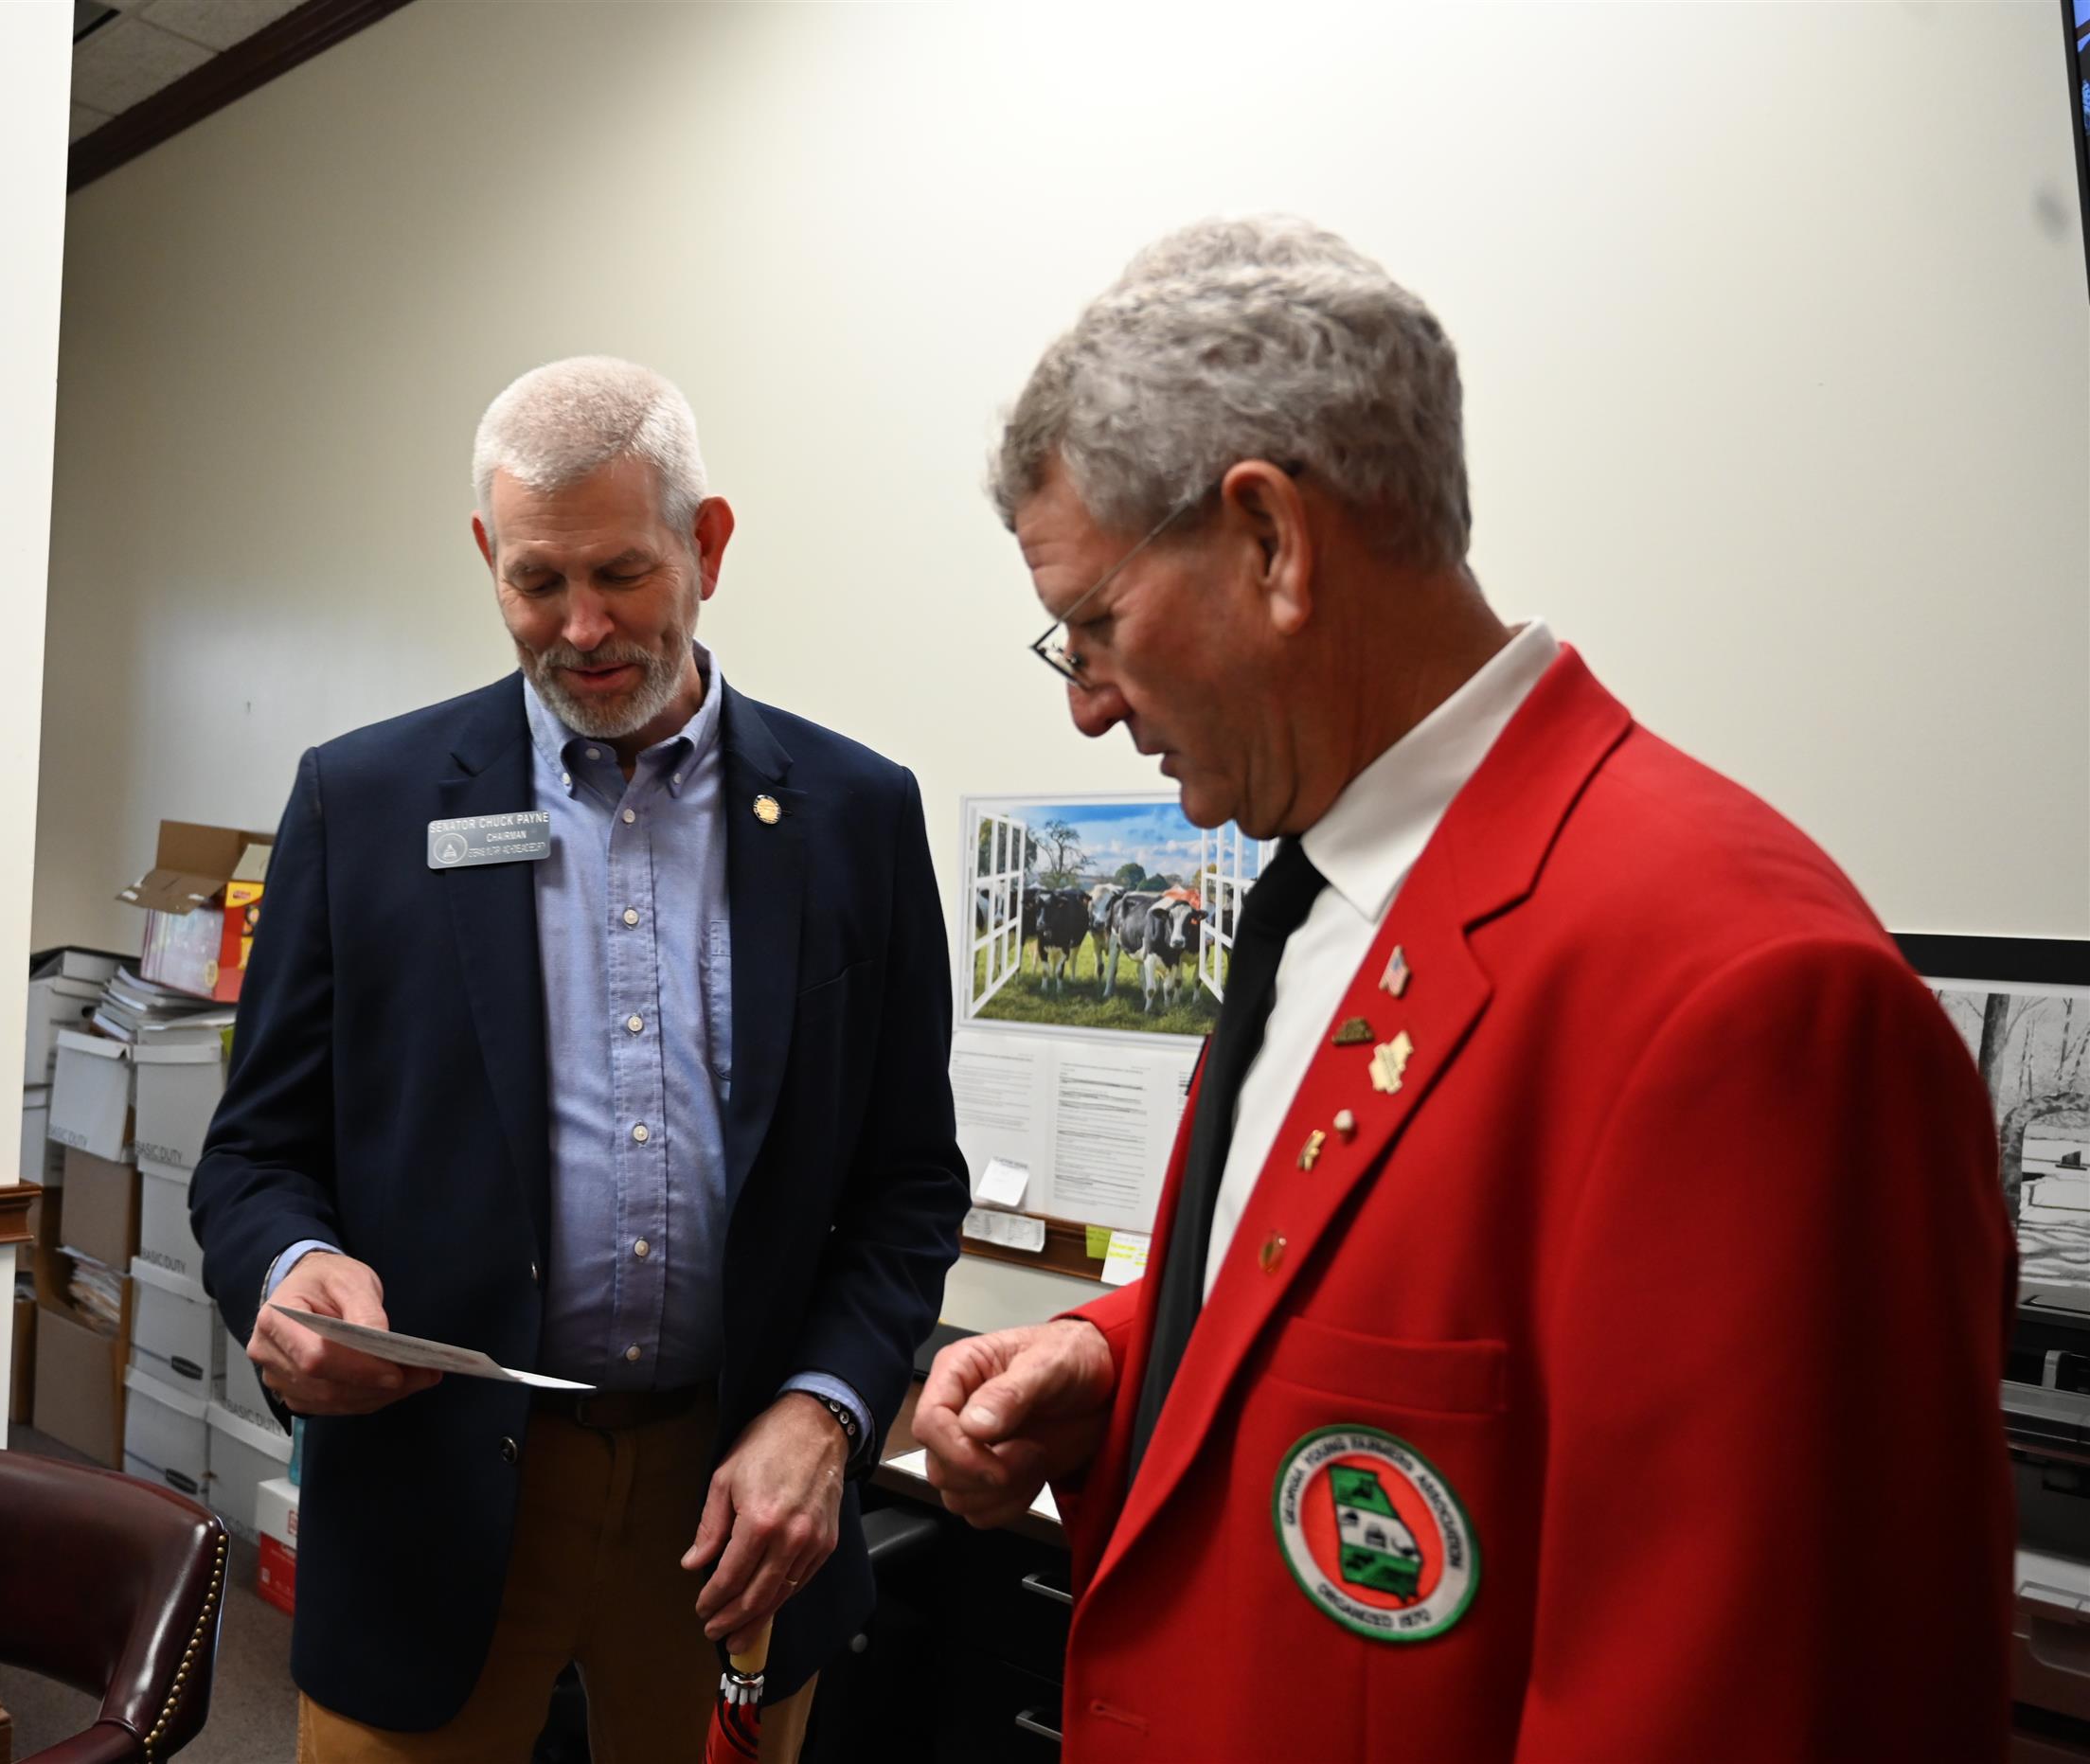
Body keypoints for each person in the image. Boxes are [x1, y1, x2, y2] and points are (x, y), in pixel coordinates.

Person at [917, 217, 2011, 1761]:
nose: (1091, 706)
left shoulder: (1751, 1004)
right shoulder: (1324, 897)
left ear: (1272, 543)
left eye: (1097, 624)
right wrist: (1117, 1353)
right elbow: (1379, 1297)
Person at [192, 356, 967, 1764]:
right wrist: (289, 1269)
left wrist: (829, 1413)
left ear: (708, 545)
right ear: (487, 556)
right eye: (537, 582)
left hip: (736, 1490)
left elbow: (908, 1182)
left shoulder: (856, 814)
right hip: (435, 1484)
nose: (583, 628)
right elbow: (253, 1155)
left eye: (622, 573)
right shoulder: (362, 803)